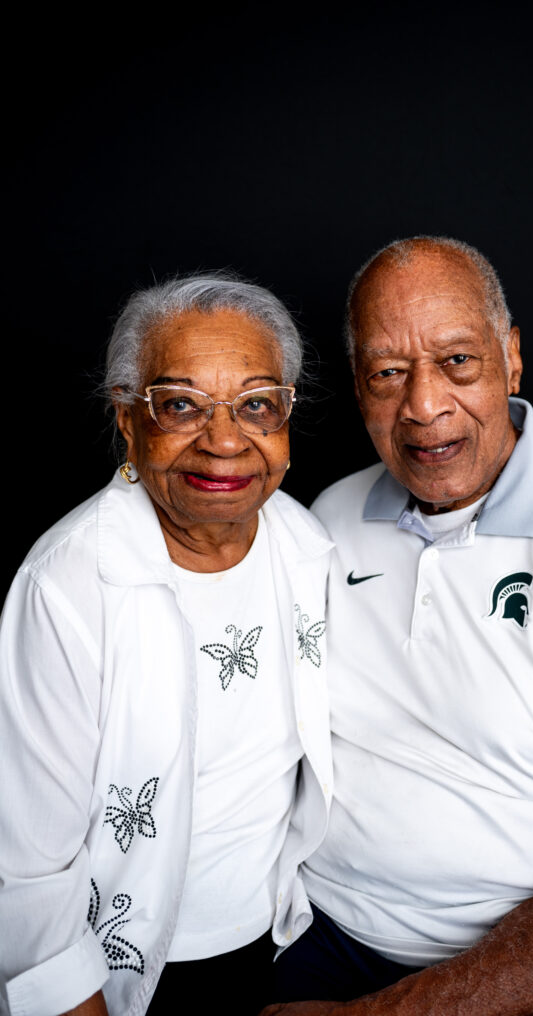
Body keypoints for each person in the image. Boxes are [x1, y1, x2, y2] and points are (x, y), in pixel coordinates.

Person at [265, 238, 533, 1015]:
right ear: (358, 387)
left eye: (456, 361)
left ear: (511, 358)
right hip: (326, 936)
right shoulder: (324, 521)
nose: (422, 405)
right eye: (388, 373)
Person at [0, 274, 333, 1016]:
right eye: (180, 404)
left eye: (256, 404)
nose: (223, 440)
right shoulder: (69, 585)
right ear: (127, 419)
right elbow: (26, 867)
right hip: (128, 978)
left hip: (283, 942)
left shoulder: (307, 546)